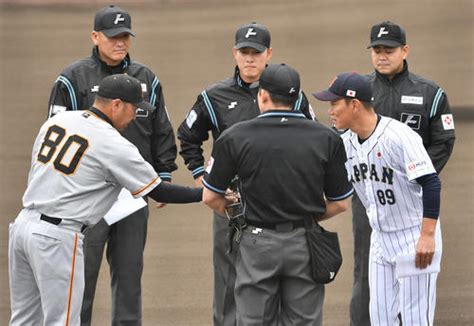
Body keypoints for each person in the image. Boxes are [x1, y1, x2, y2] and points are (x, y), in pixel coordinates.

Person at [8, 74, 202, 326]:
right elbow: (159, 191)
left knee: (23, 320)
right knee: (62, 322)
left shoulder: (58, 121)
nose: (135, 116)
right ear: (117, 104)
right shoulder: (112, 143)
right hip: (57, 239)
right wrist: (206, 194)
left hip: (22, 228)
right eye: (134, 108)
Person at [177, 23, 315, 325]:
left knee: (277, 280)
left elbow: (313, 137)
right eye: (244, 52)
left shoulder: (290, 94)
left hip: (280, 202)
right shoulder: (214, 96)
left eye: (256, 53)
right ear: (235, 53)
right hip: (231, 202)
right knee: (228, 280)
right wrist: (202, 178)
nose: (249, 59)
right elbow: (188, 135)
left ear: (269, 54)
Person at [47, 5, 178, 325]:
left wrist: (163, 176)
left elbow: (161, 128)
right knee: (82, 279)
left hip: (133, 197)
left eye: (125, 36)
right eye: (112, 36)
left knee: (130, 280)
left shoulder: (146, 78)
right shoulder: (73, 77)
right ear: (95, 36)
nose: (120, 42)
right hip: (87, 197)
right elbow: (56, 132)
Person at [202, 63, 353, 325]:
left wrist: (238, 215)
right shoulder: (326, 138)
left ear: (262, 95)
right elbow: (340, 204)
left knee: (254, 320)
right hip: (305, 243)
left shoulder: (234, 137)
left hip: (256, 244)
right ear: (297, 98)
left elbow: (210, 197)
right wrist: (309, 218)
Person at [348, 21, 456, 326]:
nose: (382, 55)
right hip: (370, 201)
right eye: (377, 50)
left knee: (414, 277)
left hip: (414, 201)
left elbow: (444, 142)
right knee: (366, 272)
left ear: (404, 50)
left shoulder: (429, 92)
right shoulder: (359, 92)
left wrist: (410, 178)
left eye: (389, 50)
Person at [314, 72, 443, 325]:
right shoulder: (345, 142)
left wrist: (427, 235)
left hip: (413, 235)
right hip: (380, 239)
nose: (329, 111)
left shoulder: (399, 136)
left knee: (416, 318)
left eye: (334, 103)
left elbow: (431, 182)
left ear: (354, 105)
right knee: (380, 318)